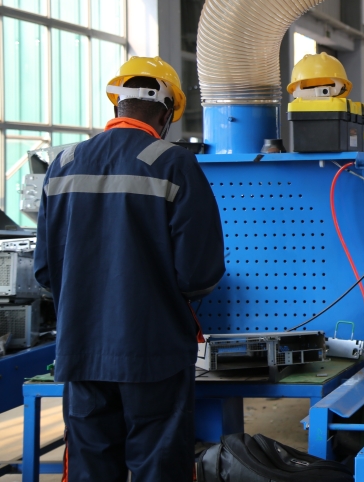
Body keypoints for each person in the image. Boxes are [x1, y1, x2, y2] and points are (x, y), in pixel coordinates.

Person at [34, 56, 226, 482]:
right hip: (153, 352)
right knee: (159, 465)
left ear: (117, 103)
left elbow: (45, 271)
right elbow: (199, 272)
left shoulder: (62, 164)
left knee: (90, 466)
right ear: (167, 112)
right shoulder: (174, 163)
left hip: (81, 350)